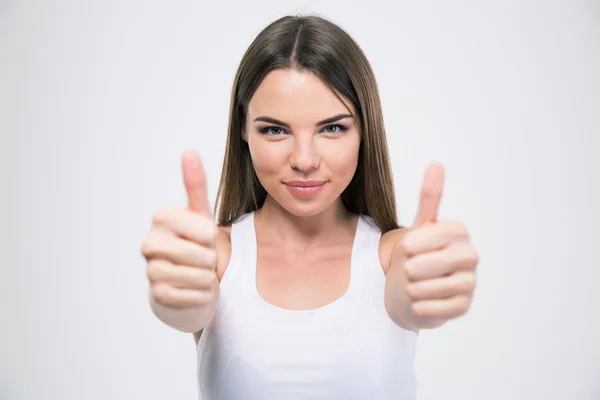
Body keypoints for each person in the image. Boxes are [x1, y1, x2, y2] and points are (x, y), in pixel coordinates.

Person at [140, 14, 479, 400]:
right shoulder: (214, 259)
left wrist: (426, 297)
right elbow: (187, 308)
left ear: (364, 129)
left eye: (332, 128)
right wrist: (175, 298)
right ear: (243, 130)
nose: (304, 159)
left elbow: (408, 301)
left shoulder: (393, 257)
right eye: (275, 129)